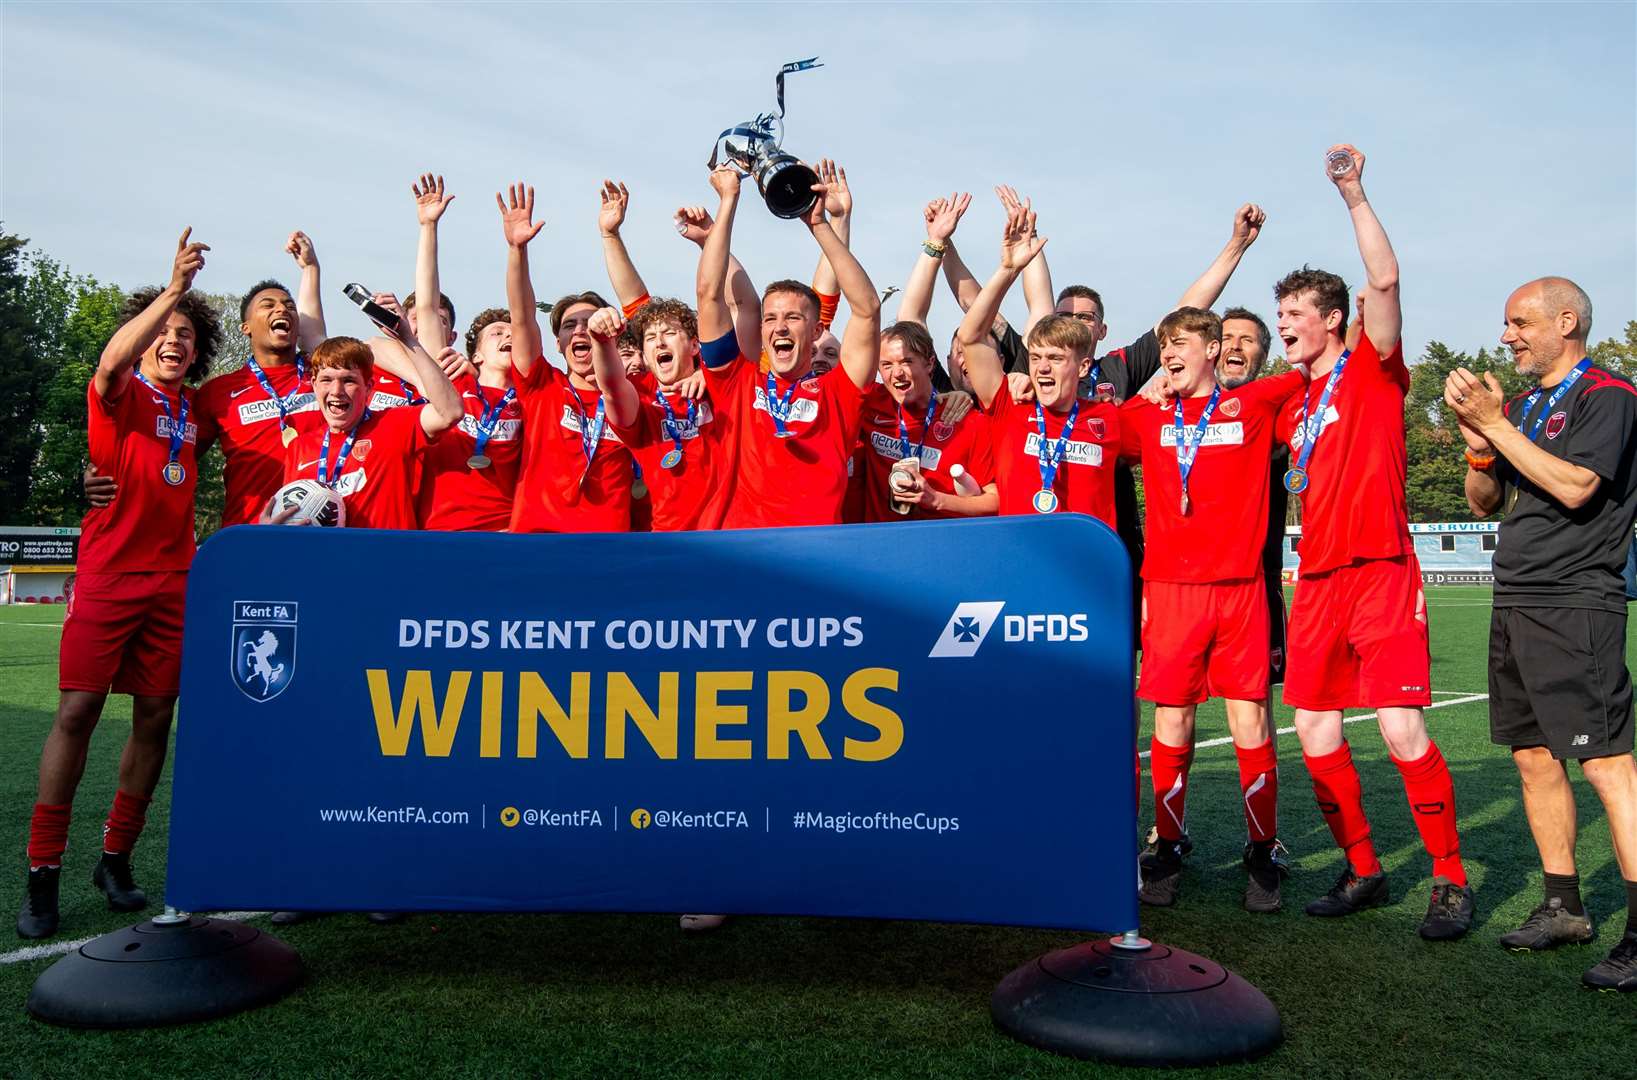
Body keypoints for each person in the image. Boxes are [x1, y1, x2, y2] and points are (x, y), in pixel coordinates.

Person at [1274, 144, 1472, 939]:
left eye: (1293, 314)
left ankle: (1449, 880)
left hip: (1381, 573)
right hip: (1315, 583)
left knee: (1399, 729)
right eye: (1278, 313)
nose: (1282, 325)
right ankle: (1362, 870)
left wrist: (1353, 195)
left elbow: (1383, 283)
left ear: (1331, 319)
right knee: (1315, 732)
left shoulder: (1372, 371)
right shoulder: (1291, 405)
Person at [18, 230, 220, 938]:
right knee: (75, 715)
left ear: (199, 351)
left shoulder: (194, 411)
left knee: (155, 719)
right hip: (109, 575)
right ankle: (43, 872)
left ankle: (116, 857)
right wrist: (172, 289)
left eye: (186, 334)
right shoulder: (118, 389)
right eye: (164, 331)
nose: (174, 341)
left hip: (175, 583)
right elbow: (108, 360)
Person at [1447, 276, 1637, 990]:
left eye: (1518, 323)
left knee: (1605, 766)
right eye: (1504, 324)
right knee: (1531, 759)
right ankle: (1563, 908)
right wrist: (1476, 447)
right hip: (1516, 598)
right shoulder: (1521, 407)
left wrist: (1495, 426)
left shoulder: (1608, 397)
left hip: (1575, 602)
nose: (1506, 337)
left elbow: (1575, 487)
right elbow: (1487, 499)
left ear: (1565, 321)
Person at [1120, 307, 1304, 912]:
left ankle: (1263, 849)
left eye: (1181, 344)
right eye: (1165, 345)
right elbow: (1078, 423)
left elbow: (1320, 371)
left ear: (1213, 349)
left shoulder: (1254, 404)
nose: (1170, 354)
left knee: (1250, 721)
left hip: (1240, 590)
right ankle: (1169, 844)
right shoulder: (1145, 417)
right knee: (1171, 724)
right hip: (1170, 591)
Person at [695, 162, 882, 529]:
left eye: (793, 318)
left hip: (816, 556)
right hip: (746, 556)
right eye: (770, 318)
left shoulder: (839, 392)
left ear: (815, 331)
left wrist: (820, 226)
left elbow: (868, 310)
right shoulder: (736, 383)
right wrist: (728, 201)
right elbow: (709, 296)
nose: (779, 326)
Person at [955, 202, 1120, 526]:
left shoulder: (1109, 418)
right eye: (1036, 358)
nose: (1043, 368)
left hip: (1083, 571)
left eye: (1056, 359)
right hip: (1020, 566)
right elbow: (971, 336)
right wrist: (1007, 270)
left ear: (1084, 367)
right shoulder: (1010, 404)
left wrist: (1162, 384)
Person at [500, 182, 637, 534]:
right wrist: (518, 250)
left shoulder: (636, 393)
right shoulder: (541, 384)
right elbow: (521, 317)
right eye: (569, 326)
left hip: (608, 547)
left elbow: (649, 316)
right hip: (537, 542)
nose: (580, 331)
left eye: (589, 323)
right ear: (558, 343)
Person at [273, 297, 463, 529]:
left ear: (369, 387)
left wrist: (407, 338)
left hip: (385, 561)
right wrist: (269, 529)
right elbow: (289, 516)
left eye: (348, 381)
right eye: (326, 380)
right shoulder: (299, 447)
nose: (336, 391)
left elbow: (450, 411)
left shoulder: (395, 423)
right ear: (313, 384)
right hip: (324, 562)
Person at [184, 233, 327, 528]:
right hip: (249, 534)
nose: (281, 309)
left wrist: (311, 269)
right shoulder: (218, 393)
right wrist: (99, 471)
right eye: (268, 304)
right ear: (246, 327)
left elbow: (318, 339)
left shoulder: (325, 377)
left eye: (289, 305)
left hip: (323, 535)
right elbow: (176, 456)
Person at [590, 297, 736, 532]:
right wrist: (601, 342)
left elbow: (732, 310)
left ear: (695, 345)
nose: (659, 342)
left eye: (669, 333)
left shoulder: (721, 391)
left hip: (728, 536)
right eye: (650, 338)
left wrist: (708, 373)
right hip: (671, 540)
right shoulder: (642, 405)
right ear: (646, 357)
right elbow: (613, 387)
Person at [856, 320, 997, 521]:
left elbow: (994, 500)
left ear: (930, 363)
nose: (896, 373)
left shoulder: (968, 421)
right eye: (887, 365)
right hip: (882, 543)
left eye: (906, 362)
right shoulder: (870, 404)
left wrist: (937, 500)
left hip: (941, 544)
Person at [1218, 306, 1290, 688]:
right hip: (1187, 587)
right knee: (1176, 706)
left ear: (1263, 354)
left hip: (1257, 579)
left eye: (1247, 340)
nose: (1235, 346)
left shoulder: (1283, 405)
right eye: (1227, 338)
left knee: (1255, 700)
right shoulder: (1176, 409)